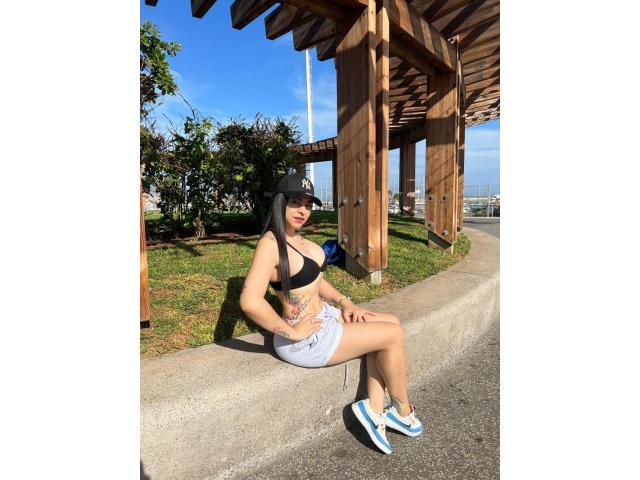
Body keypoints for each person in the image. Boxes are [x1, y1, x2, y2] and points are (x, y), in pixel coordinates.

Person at [239, 173, 423, 454]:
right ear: (280, 203)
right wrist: (293, 332)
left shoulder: (298, 239)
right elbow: (250, 301)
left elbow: (316, 281)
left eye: (308, 205)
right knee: (392, 335)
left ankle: (374, 409)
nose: (302, 211)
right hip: (306, 340)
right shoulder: (271, 244)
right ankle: (401, 410)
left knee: (391, 322)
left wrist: (345, 303)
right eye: (295, 203)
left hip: (326, 316)